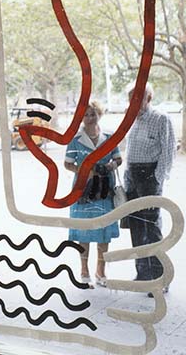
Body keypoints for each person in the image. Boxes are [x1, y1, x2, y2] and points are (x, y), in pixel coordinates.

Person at [64, 101, 122, 288]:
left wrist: (109, 167)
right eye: (86, 115)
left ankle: (101, 270)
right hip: (84, 190)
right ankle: (84, 269)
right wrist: (84, 170)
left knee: (103, 231)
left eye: (93, 114)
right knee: (84, 230)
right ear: (81, 117)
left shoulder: (110, 136)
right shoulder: (75, 139)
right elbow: (67, 163)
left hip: (105, 189)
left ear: (99, 114)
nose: (90, 118)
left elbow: (118, 159)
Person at [124, 86, 176, 294]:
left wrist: (157, 178)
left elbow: (169, 150)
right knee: (136, 226)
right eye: (131, 98)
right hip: (133, 177)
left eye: (139, 97)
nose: (134, 101)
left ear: (149, 97)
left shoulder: (160, 118)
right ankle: (143, 274)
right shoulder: (131, 121)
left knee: (152, 227)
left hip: (150, 175)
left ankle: (160, 277)